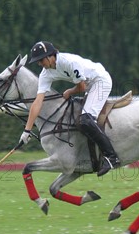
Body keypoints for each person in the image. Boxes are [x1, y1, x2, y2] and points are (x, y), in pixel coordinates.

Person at [20, 41, 120, 176]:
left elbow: (81, 87)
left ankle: (111, 157)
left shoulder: (68, 62)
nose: (39, 64)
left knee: (85, 120)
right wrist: (27, 130)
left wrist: (69, 92)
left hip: (100, 81)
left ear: (50, 56)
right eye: (37, 62)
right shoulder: (45, 73)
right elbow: (37, 102)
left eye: (41, 60)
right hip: (89, 85)